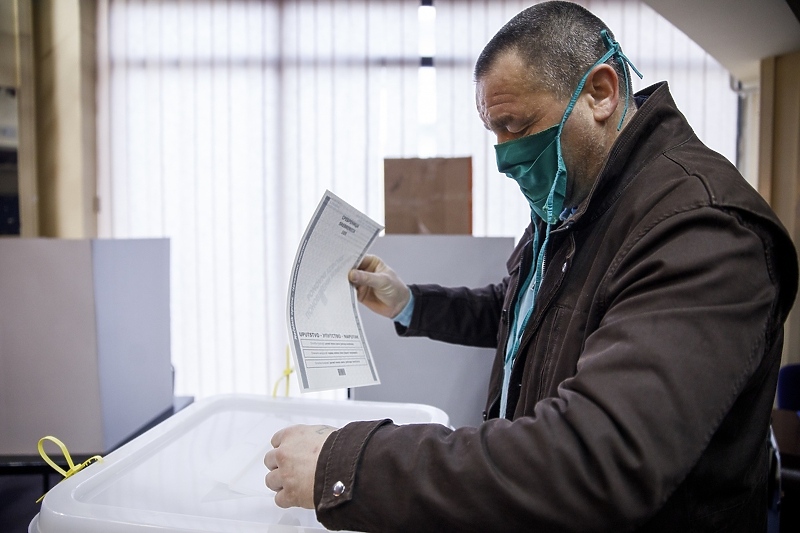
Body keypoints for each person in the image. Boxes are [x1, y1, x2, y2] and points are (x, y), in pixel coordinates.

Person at [264, 1, 798, 531]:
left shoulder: (702, 230)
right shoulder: (576, 200)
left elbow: (597, 461)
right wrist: (410, 303)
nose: (502, 156)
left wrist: (349, 465)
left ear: (602, 93)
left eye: (515, 125)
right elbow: (521, 312)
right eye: (493, 130)